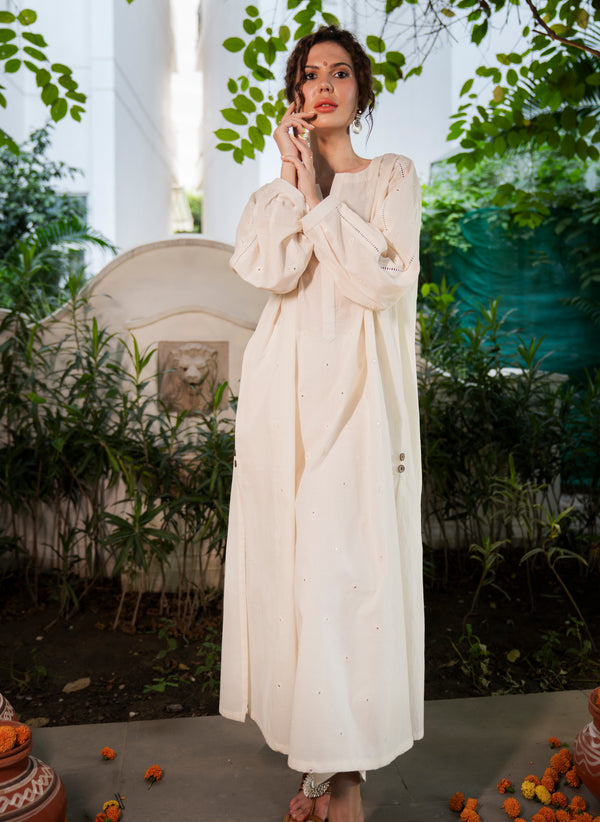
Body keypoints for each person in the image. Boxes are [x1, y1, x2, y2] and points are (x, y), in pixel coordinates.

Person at [219, 25, 424, 822]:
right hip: (285, 404)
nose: (326, 86)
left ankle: (348, 779)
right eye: (311, 76)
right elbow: (271, 271)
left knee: (348, 572)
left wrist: (318, 201)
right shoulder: (273, 192)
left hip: (359, 399)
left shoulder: (392, 177)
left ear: (361, 92)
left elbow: (381, 286)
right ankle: (318, 759)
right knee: (297, 569)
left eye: (341, 74)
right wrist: (293, 182)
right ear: (295, 96)